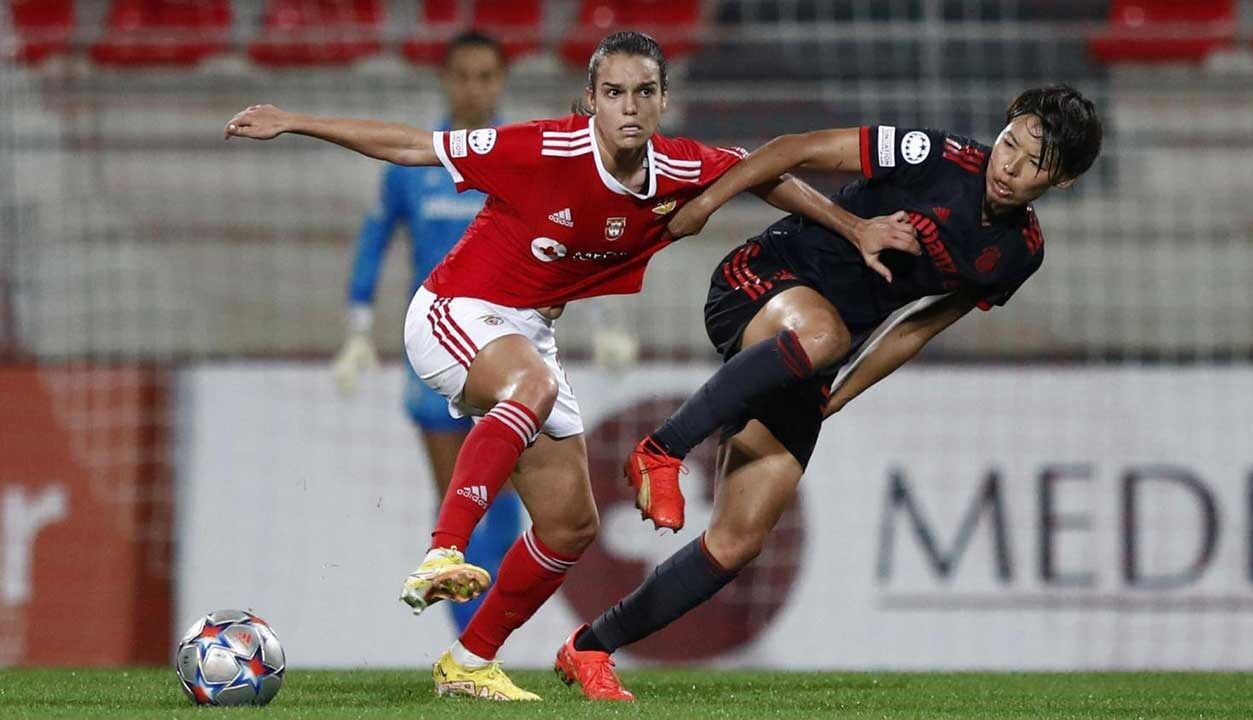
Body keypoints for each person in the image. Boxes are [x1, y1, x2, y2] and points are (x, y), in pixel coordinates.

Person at [224, 31, 917, 701]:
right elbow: (415, 146)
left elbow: (761, 173)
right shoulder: (542, 146)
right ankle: (444, 549)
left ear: (663, 101)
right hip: (455, 310)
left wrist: (853, 227)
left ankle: (467, 663)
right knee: (532, 384)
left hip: (530, 333)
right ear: (590, 99)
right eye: (614, 92)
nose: (630, 107)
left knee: (570, 527)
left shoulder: (675, 165)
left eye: (645, 92)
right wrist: (293, 121)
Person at [555, 85, 1103, 701]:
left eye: (1035, 164)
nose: (1010, 166)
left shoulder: (1019, 253)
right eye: (1011, 143)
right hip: (762, 279)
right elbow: (793, 150)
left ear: (1063, 183)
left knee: (739, 540)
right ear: (1003, 129)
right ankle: (662, 449)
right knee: (824, 333)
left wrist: (838, 396)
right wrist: (709, 204)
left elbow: (920, 325)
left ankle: (589, 649)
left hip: (819, 351)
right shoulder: (933, 155)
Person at [330, 31, 523, 635]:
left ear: (500, 82)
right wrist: (358, 327)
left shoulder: (522, 157)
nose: (474, 87)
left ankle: (483, 639)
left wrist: (603, 320)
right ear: (446, 81)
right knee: (457, 508)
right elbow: (373, 239)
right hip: (436, 355)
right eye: (463, 75)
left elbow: (573, 240)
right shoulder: (418, 164)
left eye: (485, 75)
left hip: (509, 349)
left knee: (511, 503)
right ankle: (469, 647)